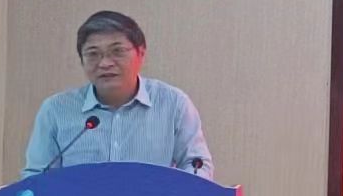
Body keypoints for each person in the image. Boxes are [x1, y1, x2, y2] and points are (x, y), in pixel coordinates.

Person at [23, 10, 214, 179]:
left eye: (117, 51)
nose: (105, 63)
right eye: (93, 54)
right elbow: (37, 175)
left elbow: (197, 164)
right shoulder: (56, 110)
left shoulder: (173, 104)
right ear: (82, 60)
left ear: (141, 53)